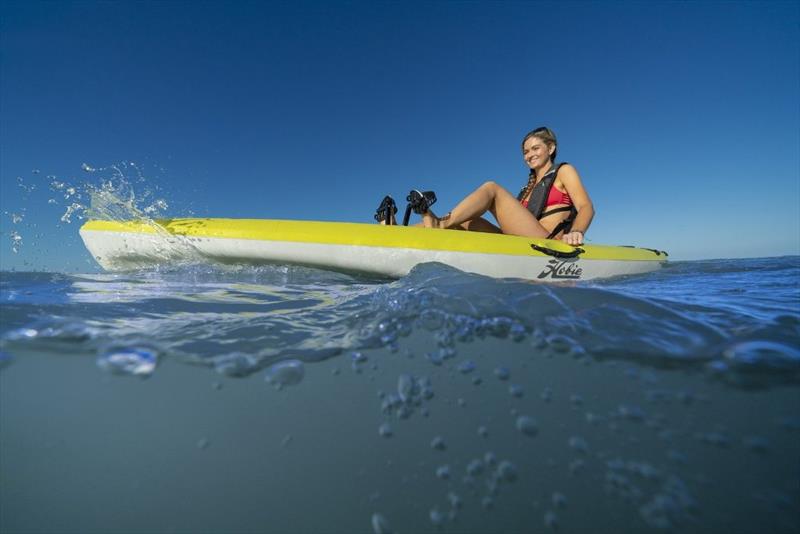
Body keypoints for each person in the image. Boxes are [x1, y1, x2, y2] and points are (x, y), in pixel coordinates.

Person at [420, 127, 593, 246]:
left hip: (547, 241)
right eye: (526, 152)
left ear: (551, 148)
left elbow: (586, 207)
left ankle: (439, 224)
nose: (530, 155)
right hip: (519, 240)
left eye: (535, 148)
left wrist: (577, 231)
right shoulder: (527, 189)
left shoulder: (564, 171)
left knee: (491, 188)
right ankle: (399, 230)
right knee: (467, 221)